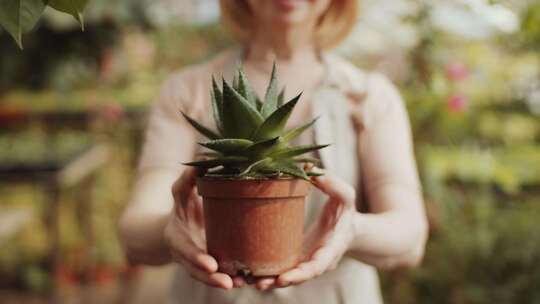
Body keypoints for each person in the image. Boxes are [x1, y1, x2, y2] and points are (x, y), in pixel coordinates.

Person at [119, 0, 428, 303]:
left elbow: (411, 236)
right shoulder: (188, 91)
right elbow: (135, 233)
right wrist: (171, 227)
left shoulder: (368, 96)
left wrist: (351, 230)